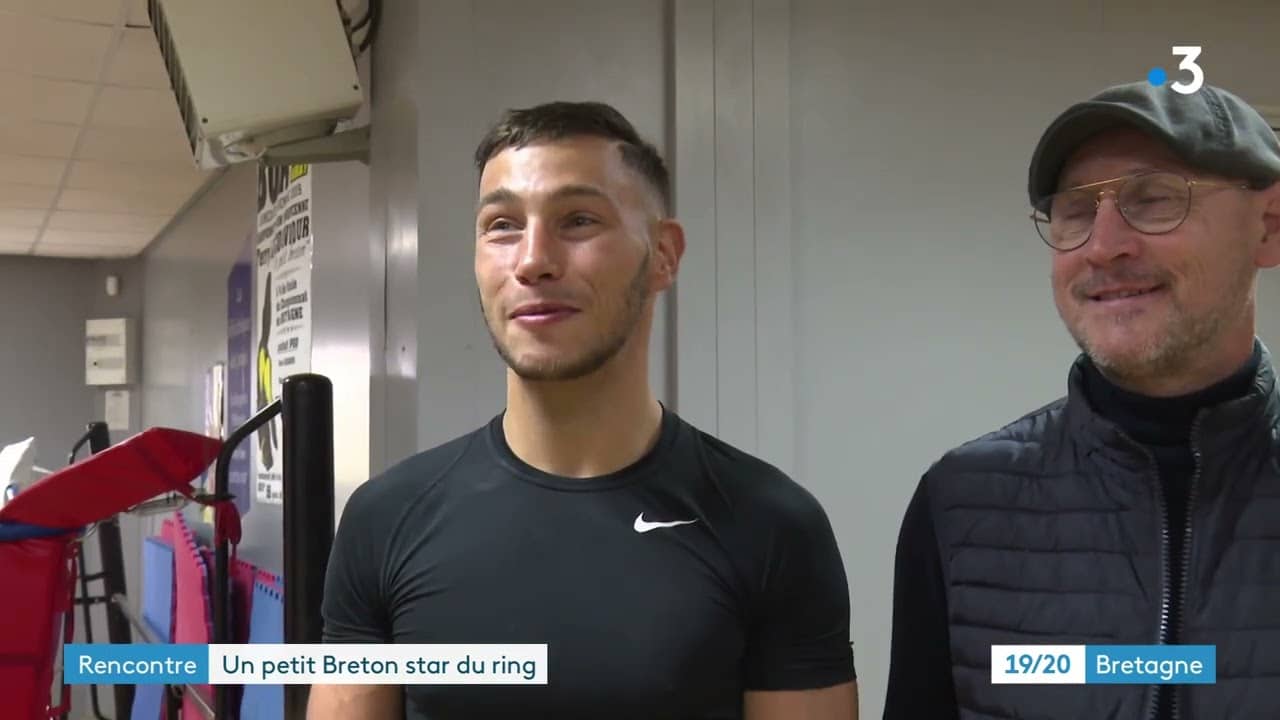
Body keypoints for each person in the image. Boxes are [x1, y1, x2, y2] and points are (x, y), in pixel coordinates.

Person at [308, 101, 859, 719]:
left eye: (577, 220)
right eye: (502, 225)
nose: (532, 260)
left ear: (663, 255)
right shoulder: (386, 520)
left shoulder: (771, 525)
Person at [883, 80, 1280, 719]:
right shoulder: (962, 503)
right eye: (1075, 212)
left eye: (1152, 200)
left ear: (1268, 228)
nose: (1103, 246)